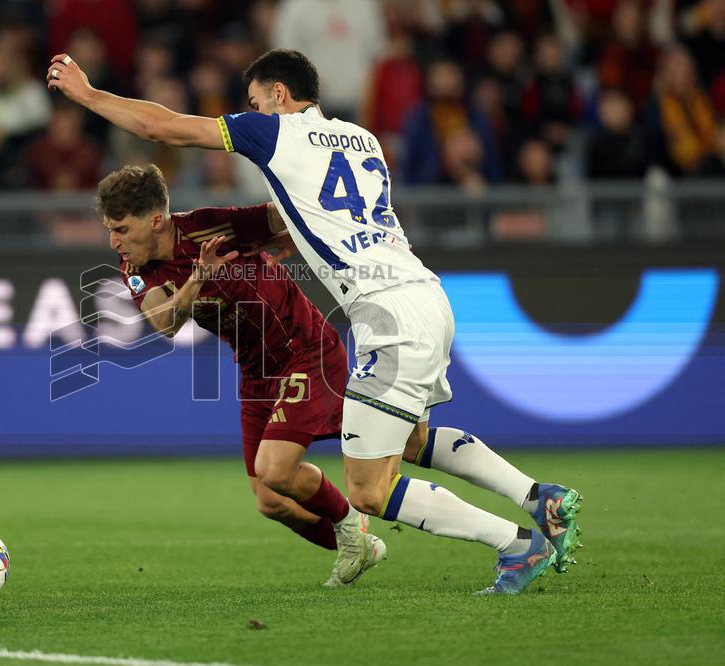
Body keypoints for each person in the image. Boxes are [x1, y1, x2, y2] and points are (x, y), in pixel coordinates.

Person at [47, 47, 583, 595]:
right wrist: (295, 236)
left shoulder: (275, 133)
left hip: (385, 315)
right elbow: (321, 211)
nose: (251, 113)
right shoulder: (363, 139)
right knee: (411, 441)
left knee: (369, 489)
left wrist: (87, 95)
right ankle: (539, 497)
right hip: (425, 294)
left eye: (255, 102)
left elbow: (162, 127)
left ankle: (516, 544)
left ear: (279, 95)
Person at [99, 163, 385, 587]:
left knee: (277, 470)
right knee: (270, 500)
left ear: (155, 220)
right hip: (256, 371)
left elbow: (286, 212)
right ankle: (360, 544)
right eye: (110, 230)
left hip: (305, 350)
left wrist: (299, 236)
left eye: (121, 229)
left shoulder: (211, 227)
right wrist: (199, 278)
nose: (114, 242)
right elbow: (164, 324)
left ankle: (350, 523)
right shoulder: (135, 267)